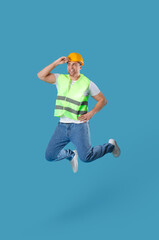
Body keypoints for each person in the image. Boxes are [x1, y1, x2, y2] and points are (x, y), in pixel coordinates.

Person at [37, 53, 120, 173]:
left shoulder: (87, 83)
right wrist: (56, 63)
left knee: (86, 157)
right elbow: (41, 75)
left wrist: (91, 113)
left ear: (80, 66)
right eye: (68, 64)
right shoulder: (60, 79)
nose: (71, 67)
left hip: (79, 126)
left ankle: (110, 146)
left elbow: (103, 100)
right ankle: (71, 155)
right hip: (62, 126)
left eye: (74, 65)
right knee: (50, 156)